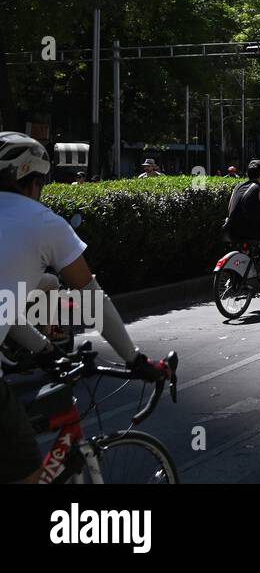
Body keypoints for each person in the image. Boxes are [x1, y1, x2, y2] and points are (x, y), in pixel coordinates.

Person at [0, 132, 171, 484]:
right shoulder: (42, 221)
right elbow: (90, 298)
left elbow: (5, 311)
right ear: (32, 179)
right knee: (26, 473)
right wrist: (135, 360)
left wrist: (44, 349)